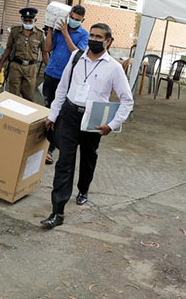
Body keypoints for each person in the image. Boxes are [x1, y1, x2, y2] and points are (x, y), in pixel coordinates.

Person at [40, 23, 134, 228]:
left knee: (88, 158)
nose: (94, 39)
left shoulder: (114, 68)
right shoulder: (76, 59)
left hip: (94, 120)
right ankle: (58, 211)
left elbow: (127, 101)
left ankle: (83, 189)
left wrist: (113, 123)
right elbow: (62, 89)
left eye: (99, 37)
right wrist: (53, 115)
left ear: (108, 41)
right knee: (64, 162)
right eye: (91, 35)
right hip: (70, 115)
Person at [42, 4, 89, 164]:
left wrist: (65, 33)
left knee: (60, 114)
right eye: (72, 18)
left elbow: (77, 53)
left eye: (78, 20)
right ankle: (41, 145)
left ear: (83, 20)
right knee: (47, 110)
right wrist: (49, 29)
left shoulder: (84, 35)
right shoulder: (58, 28)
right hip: (51, 74)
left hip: (67, 79)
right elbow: (47, 48)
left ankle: (50, 149)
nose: (74, 21)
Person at [0, 7, 47, 102]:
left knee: (28, 98)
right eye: (25, 21)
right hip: (16, 66)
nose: (28, 23)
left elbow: (45, 53)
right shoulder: (15, 31)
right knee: (13, 97)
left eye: (30, 21)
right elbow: (8, 48)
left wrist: (48, 71)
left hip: (31, 68)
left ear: (35, 20)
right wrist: (0, 65)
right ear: (22, 19)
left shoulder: (40, 34)